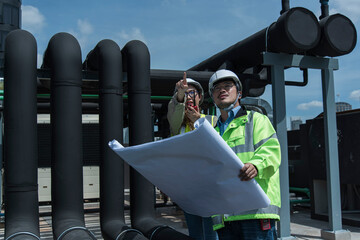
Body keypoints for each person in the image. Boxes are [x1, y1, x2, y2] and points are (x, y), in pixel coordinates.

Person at [208, 69, 281, 240]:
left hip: (255, 213)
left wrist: (256, 165)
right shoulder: (212, 133)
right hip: (225, 216)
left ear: (239, 93)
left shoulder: (256, 120)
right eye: (216, 88)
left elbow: (271, 150)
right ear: (212, 97)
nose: (222, 90)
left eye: (228, 86)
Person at [167, 72, 219, 240]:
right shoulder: (178, 127)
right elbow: (173, 113)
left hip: (211, 190)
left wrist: (199, 122)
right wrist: (179, 95)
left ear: (200, 97)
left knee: (212, 234)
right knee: (196, 234)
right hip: (190, 191)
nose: (189, 97)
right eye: (184, 93)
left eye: (192, 93)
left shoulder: (212, 121)